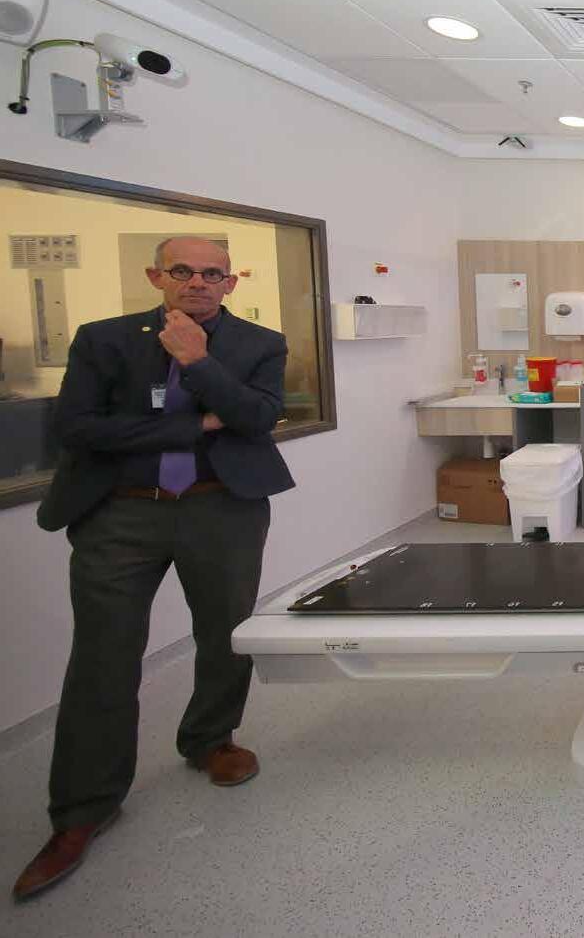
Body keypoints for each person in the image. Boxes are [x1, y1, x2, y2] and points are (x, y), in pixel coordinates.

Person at [13, 236, 295, 902]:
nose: (198, 282)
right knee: (103, 655)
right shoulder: (104, 339)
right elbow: (78, 429)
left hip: (222, 509)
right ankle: (83, 808)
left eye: (212, 273)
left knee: (226, 634)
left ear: (230, 282)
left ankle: (211, 738)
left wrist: (198, 363)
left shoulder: (259, 343)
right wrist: (198, 424)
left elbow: (258, 416)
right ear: (156, 275)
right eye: (183, 270)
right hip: (122, 513)